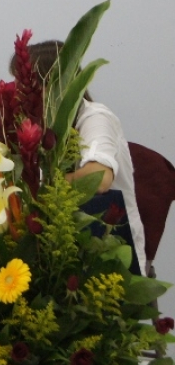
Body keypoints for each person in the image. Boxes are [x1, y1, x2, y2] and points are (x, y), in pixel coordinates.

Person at [23, 40, 146, 273]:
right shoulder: (36, 127)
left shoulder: (95, 117)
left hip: (107, 255)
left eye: (25, 86)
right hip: (56, 252)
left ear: (53, 85)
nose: (19, 95)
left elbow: (98, 178)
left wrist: (37, 189)